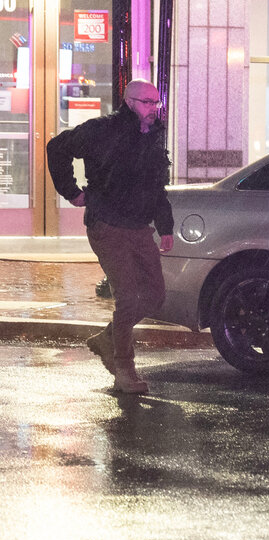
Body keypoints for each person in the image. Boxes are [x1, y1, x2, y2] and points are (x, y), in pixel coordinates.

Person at [46, 79, 173, 394]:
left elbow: (155, 186)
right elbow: (57, 148)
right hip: (107, 224)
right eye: (147, 102)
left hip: (139, 227)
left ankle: (108, 338)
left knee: (155, 295)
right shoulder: (101, 130)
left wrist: (166, 226)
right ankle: (123, 369)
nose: (154, 109)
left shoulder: (153, 138)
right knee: (128, 296)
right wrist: (72, 192)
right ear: (129, 102)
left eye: (156, 103)